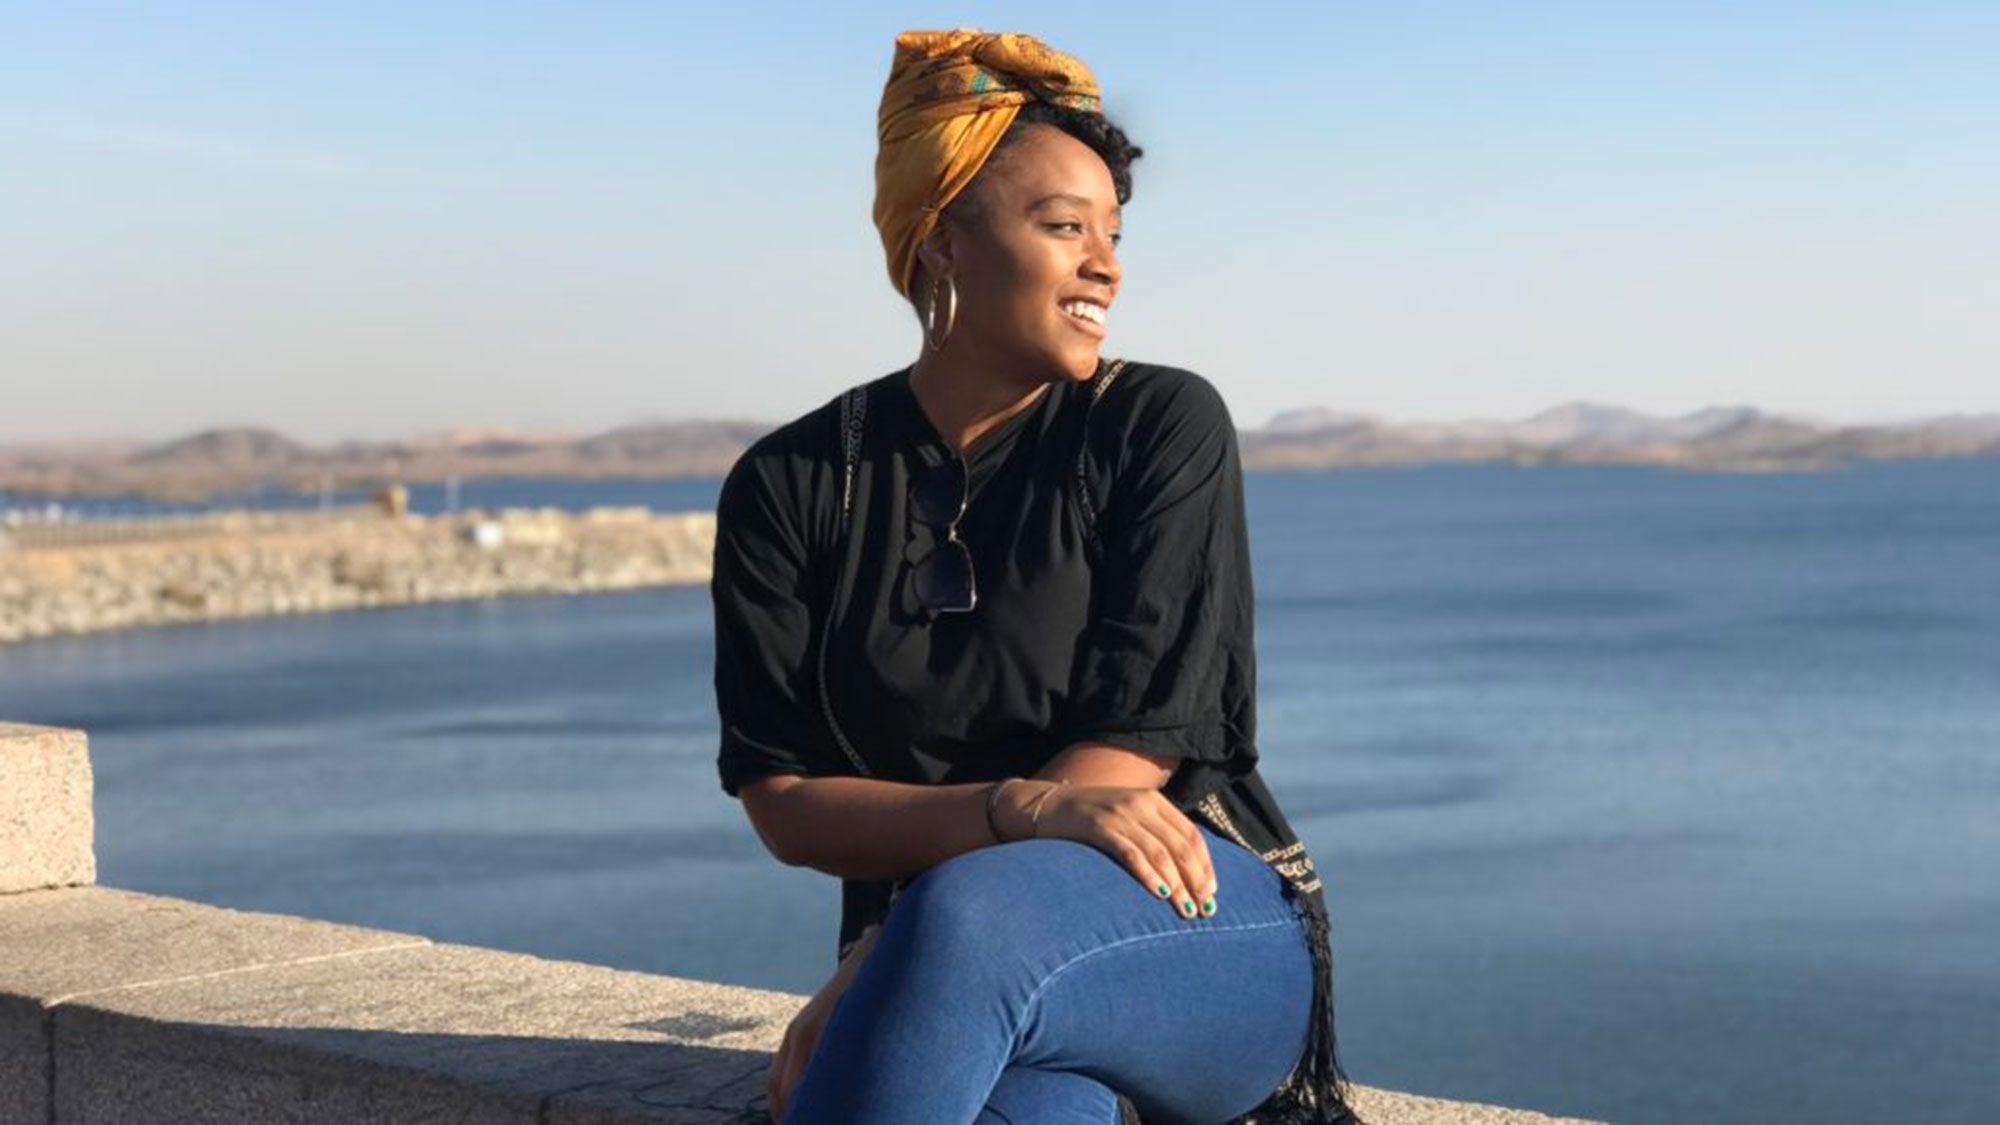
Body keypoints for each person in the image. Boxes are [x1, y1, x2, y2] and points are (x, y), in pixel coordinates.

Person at [710, 28, 1363, 1125]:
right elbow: (785, 799)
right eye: (1063, 227)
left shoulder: (1156, 425)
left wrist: (902, 938)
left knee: (968, 921)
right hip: (940, 961)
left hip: (1190, 915)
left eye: (1111, 231)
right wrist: (1014, 816)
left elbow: (1142, 745)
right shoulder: (794, 483)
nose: (1105, 261)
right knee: (1028, 1110)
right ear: (938, 242)